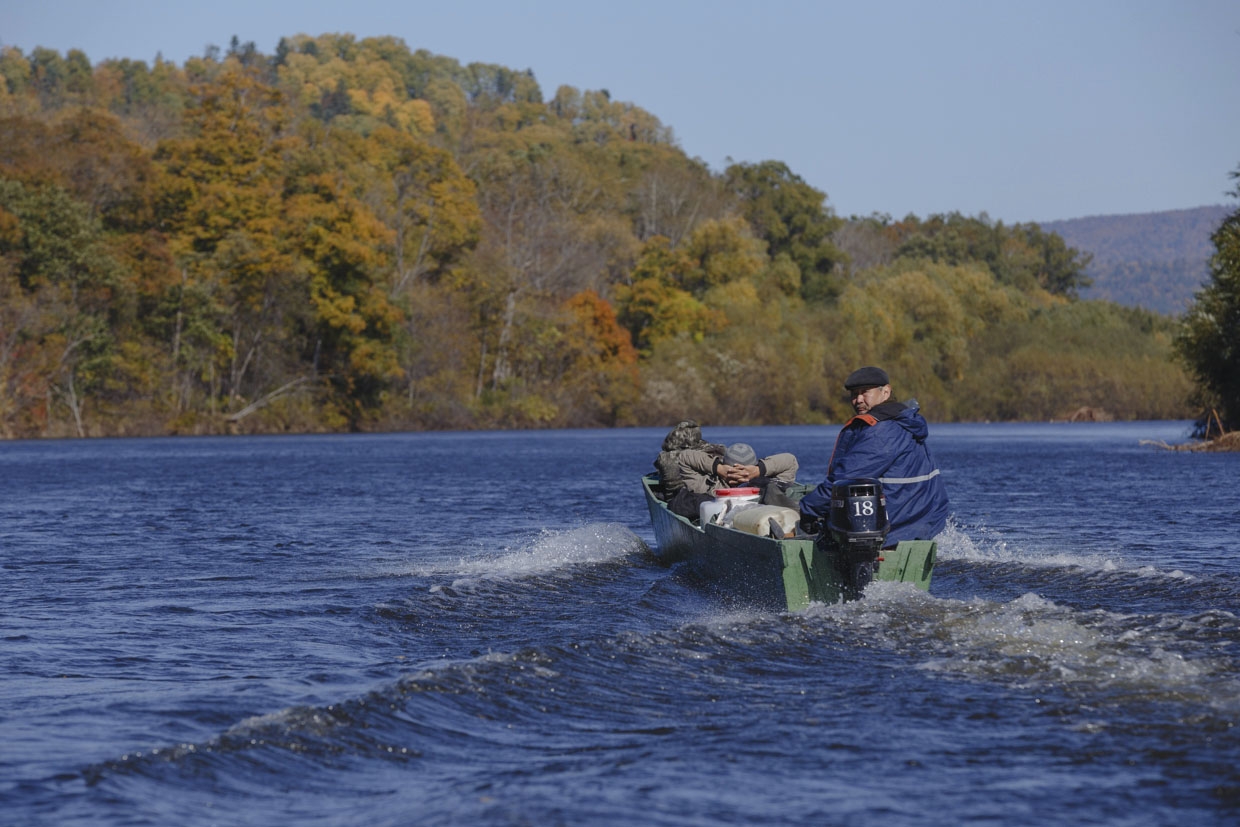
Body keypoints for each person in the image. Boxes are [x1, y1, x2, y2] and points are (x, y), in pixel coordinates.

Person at [799, 366, 949, 545]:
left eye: (865, 392)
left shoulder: (883, 432)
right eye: (854, 394)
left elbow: (847, 477)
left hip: (896, 526)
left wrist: (807, 509)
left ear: (885, 392)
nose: (858, 400)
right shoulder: (902, 422)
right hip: (921, 521)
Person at [653, 421, 798, 520]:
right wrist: (758, 470)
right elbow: (790, 461)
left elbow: (685, 457)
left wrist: (718, 468)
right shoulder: (771, 483)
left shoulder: (706, 487)